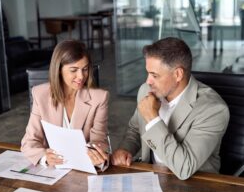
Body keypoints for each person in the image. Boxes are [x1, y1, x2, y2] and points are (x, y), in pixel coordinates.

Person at [111, 37, 230, 180]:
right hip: (153, 176)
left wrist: (152, 118)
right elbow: (135, 130)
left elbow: (185, 168)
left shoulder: (213, 109)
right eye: (148, 73)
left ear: (178, 74)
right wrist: (125, 149)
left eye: (154, 75)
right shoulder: (146, 91)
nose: (147, 81)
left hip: (194, 183)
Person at [21, 40, 109, 171]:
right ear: (59, 70)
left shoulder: (99, 98)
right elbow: (29, 142)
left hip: (83, 169)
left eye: (85, 69)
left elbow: (99, 140)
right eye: (73, 70)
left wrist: (94, 154)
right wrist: (45, 157)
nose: (81, 76)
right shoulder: (40, 94)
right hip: (52, 170)